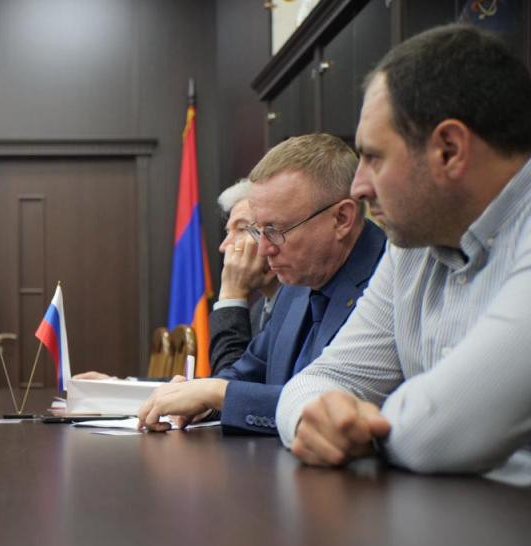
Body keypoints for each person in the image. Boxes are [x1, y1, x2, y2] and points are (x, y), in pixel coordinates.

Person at [277, 25, 531, 473]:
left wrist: (356, 430)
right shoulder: (412, 245)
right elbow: (319, 380)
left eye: (373, 158)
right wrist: (312, 420)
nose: (358, 188)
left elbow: (438, 432)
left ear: (449, 150)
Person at [138, 133, 385, 434]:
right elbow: (248, 374)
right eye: (258, 231)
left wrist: (218, 393)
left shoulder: (386, 279)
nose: (264, 249)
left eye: (276, 230)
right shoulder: (296, 283)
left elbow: (332, 406)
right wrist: (199, 395)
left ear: (342, 219)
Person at [209, 178, 281, 374]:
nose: (224, 246)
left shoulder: (300, 306)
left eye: (240, 229)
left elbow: (229, 385)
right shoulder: (258, 310)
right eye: (228, 232)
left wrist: (231, 295)